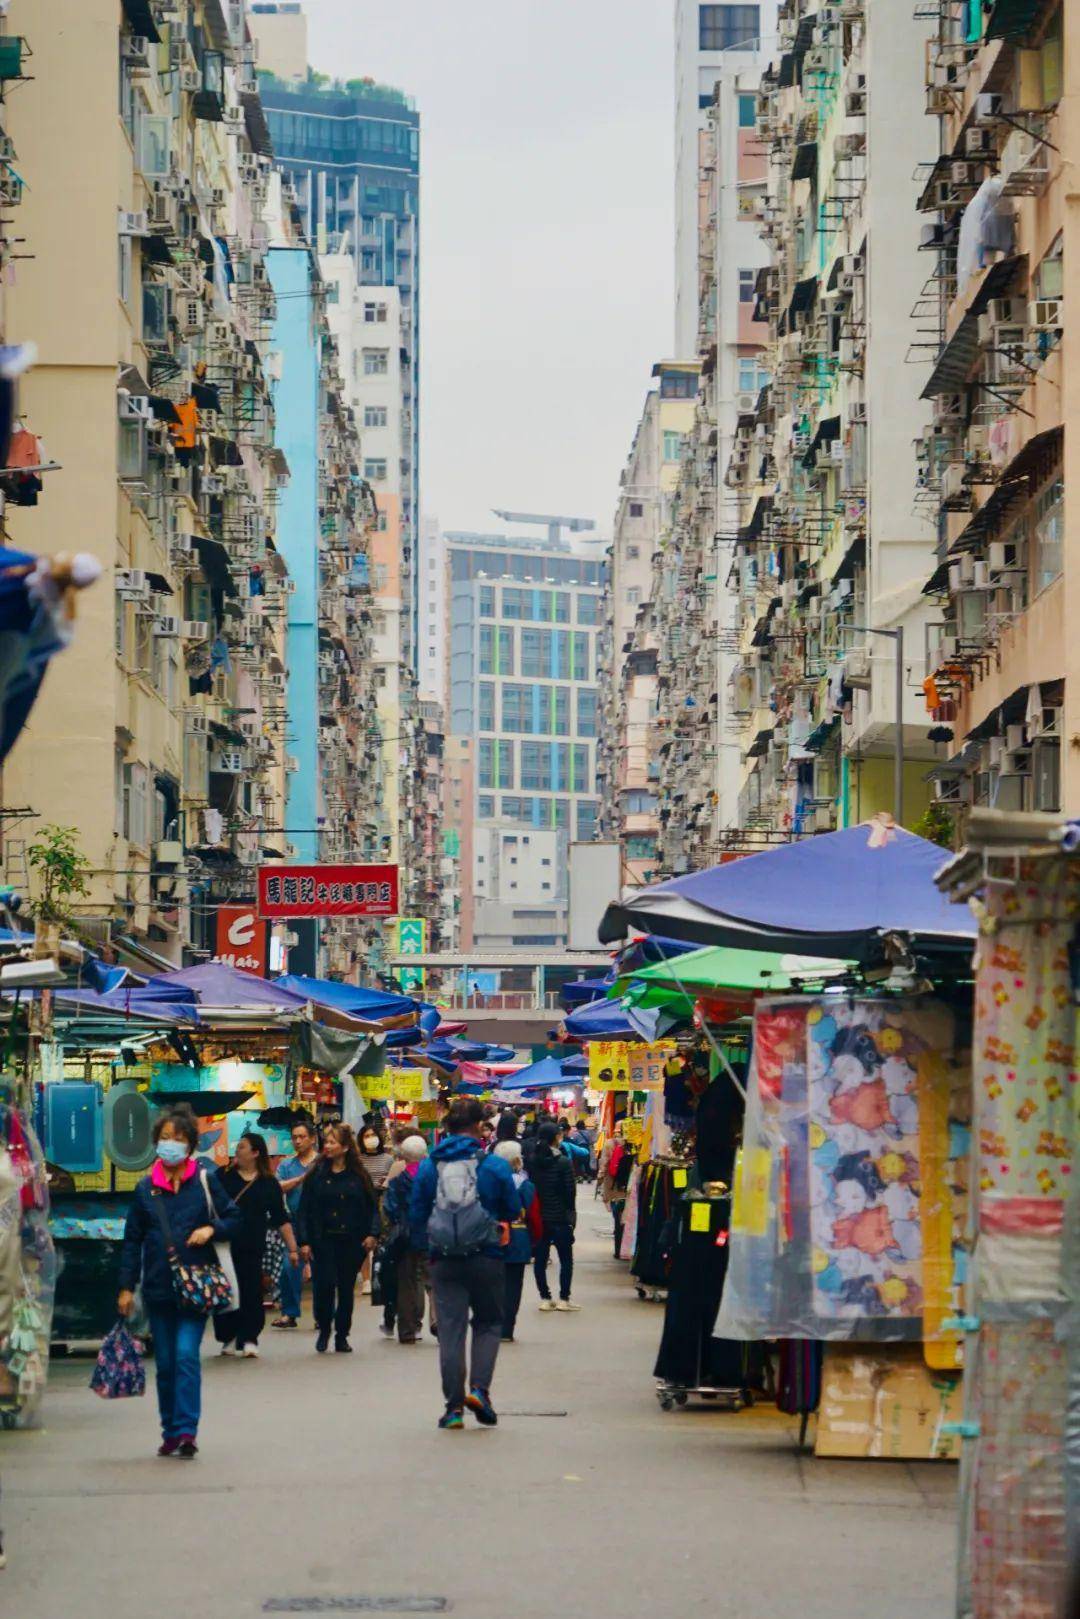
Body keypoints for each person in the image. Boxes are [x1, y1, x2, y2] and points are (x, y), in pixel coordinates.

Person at [117, 1104, 241, 1458]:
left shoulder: (204, 1180)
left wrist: (210, 1228)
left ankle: (187, 1430)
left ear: (190, 1146)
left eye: (179, 1139)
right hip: (159, 1288)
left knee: (187, 1356)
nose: (170, 1144)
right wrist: (126, 1286)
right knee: (167, 1364)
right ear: (156, 1142)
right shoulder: (144, 1190)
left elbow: (235, 1217)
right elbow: (132, 1241)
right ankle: (170, 1430)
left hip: (196, 1286)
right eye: (165, 1138)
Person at [409, 1096, 521, 1430]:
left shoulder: (430, 1166)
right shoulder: (494, 1165)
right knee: (488, 1323)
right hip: (487, 1257)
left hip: (443, 1259)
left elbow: (416, 1212)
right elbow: (513, 1208)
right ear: (478, 1127)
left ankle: (453, 1409)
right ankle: (480, 1391)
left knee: (451, 1331)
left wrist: (426, 1250)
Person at [297, 1123, 381, 1353]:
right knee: (324, 1287)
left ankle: (342, 1334)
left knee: (345, 1289)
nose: (328, 1146)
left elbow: (373, 1207)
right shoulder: (316, 1174)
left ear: (344, 1147)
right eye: (326, 1141)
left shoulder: (358, 1175)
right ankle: (324, 1328)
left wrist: (373, 1234)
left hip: (351, 1241)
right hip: (323, 1240)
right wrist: (303, 1240)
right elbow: (304, 1209)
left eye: (333, 1142)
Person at [214, 1133, 296, 1358]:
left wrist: (293, 1249)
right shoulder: (223, 1176)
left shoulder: (268, 1183)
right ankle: (228, 1336)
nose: (236, 1151)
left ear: (255, 1152)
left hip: (252, 1245)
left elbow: (280, 1217)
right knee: (226, 1290)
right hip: (224, 1244)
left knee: (251, 1290)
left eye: (241, 1147)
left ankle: (249, 1337)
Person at [381, 1134, 431, 1343]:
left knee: (406, 1281)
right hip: (430, 1234)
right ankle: (433, 1321)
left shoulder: (398, 1181)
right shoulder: (431, 1179)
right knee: (430, 1280)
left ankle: (407, 1330)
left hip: (404, 1236)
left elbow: (389, 1208)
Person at [273, 1117, 319, 1329]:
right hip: (292, 1221)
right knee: (288, 1267)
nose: (297, 1141)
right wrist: (300, 1180)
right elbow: (277, 1188)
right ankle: (289, 1313)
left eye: (302, 1137)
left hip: (318, 1222)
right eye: (294, 1138)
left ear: (312, 1139)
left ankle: (322, 1314)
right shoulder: (286, 1165)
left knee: (321, 1270)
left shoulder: (321, 1162)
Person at [530, 1121, 580, 1312]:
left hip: (540, 1219)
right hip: (560, 1218)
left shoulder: (533, 1161)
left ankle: (545, 1297)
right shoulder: (563, 1162)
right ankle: (563, 1299)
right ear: (556, 1138)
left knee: (540, 1260)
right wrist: (571, 1217)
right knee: (566, 1259)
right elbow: (570, 1192)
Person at [493, 1140, 537, 1343]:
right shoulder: (527, 1186)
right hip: (519, 1238)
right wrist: (535, 1241)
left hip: (494, 1237)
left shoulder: (490, 1183)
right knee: (513, 1285)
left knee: (493, 1283)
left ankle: (493, 1324)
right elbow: (535, 1217)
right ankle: (507, 1328)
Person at [358, 1121, 395, 1294]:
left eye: (373, 1135)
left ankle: (382, 1276)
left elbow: (393, 1179)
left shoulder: (388, 1159)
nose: (370, 1139)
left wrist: (386, 1182)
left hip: (383, 1202)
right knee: (364, 1241)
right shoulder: (358, 1160)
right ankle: (366, 1279)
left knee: (382, 1241)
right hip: (364, 1202)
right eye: (366, 1136)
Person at [599, 1122, 632, 1259]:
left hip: (613, 1186)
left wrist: (600, 1178)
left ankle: (618, 1250)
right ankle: (627, 1248)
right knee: (627, 1219)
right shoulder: (633, 1145)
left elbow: (604, 1164)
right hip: (628, 1187)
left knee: (617, 1218)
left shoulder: (609, 1143)